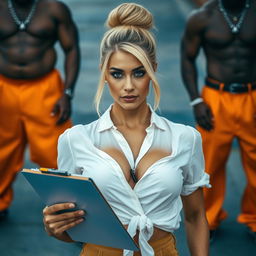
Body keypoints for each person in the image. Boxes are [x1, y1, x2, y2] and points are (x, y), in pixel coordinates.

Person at [43, 3, 210, 256]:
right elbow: (70, 227)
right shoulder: (75, 140)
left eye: (139, 73)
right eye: (118, 74)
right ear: (104, 74)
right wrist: (54, 228)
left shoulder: (185, 138)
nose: (129, 86)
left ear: (153, 68)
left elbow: (196, 217)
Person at [181, 0, 256, 241]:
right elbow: (187, 58)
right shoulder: (202, 17)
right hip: (215, 98)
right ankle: (208, 220)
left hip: (252, 96)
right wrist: (196, 100)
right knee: (208, 166)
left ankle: (254, 218)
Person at [0, 0, 80, 220]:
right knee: (1, 151)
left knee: (56, 152)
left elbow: (71, 48)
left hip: (44, 88)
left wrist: (67, 93)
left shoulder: (54, 9)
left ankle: (70, 211)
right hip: (3, 87)